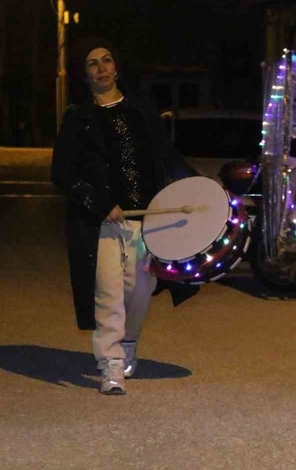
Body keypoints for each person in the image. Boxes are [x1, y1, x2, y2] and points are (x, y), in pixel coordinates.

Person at [51, 36, 196, 395]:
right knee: (108, 293)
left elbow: (167, 157)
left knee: (139, 290)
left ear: (116, 67)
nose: (101, 68)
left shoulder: (140, 110)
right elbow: (63, 173)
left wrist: (199, 190)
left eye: (106, 60)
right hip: (99, 223)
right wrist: (100, 203)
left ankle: (129, 340)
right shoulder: (78, 118)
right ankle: (111, 364)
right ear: (85, 74)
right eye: (92, 63)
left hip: (145, 220)